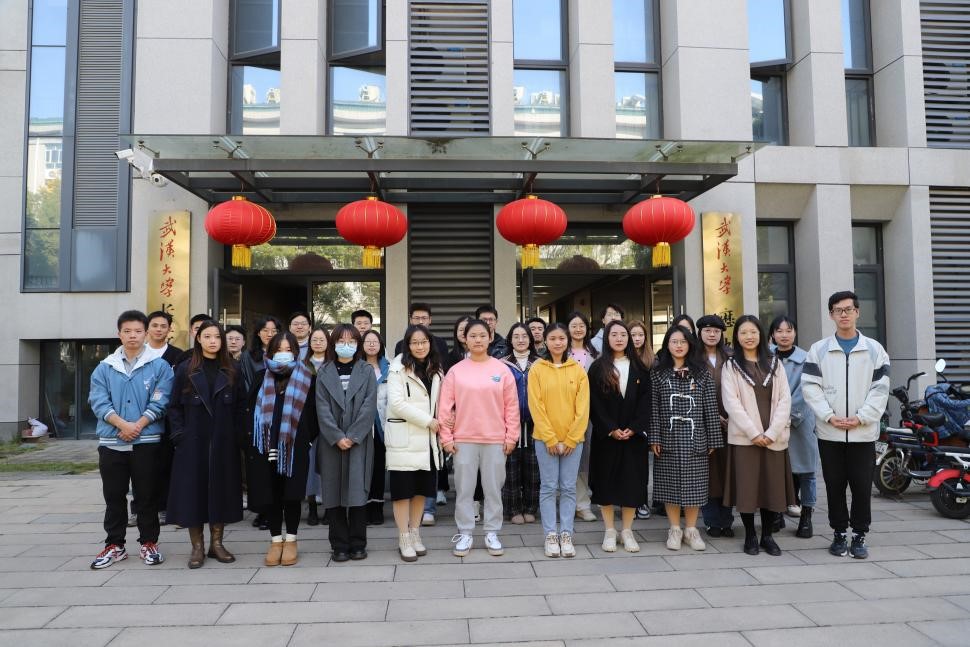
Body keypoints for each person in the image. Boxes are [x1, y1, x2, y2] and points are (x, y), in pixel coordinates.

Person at [802, 291, 890, 559]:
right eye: (838, 310)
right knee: (834, 485)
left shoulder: (874, 350)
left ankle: (860, 535)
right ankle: (839, 533)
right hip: (830, 433)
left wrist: (862, 417)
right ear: (831, 315)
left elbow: (880, 389)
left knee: (862, 487)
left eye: (848, 309)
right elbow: (810, 387)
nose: (844, 314)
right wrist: (828, 416)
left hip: (863, 434)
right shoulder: (819, 350)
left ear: (857, 312)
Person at [88, 310, 174, 569]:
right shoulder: (105, 367)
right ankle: (115, 545)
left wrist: (137, 426)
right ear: (119, 334)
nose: (133, 336)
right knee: (113, 496)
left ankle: (149, 543)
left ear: (145, 333)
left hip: (146, 441)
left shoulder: (159, 366)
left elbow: (161, 400)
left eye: (138, 331)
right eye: (127, 331)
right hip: (112, 442)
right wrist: (122, 425)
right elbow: (98, 401)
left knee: (146, 496)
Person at [166, 321, 246, 568]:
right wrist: (180, 435)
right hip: (193, 443)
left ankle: (217, 544)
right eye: (207, 336)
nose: (213, 341)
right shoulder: (186, 369)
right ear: (198, 339)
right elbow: (174, 407)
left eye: (217, 337)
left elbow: (241, 407)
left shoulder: (232, 369)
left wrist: (237, 436)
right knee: (194, 493)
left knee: (221, 492)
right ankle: (197, 547)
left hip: (224, 442)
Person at [438, 319, 519, 557]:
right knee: (464, 489)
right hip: (463, 439)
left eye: (482, 335)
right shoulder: (456, 371)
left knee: (493, 489)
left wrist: (512, 436)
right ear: (464, 339)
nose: (478, 340)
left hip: (495, 439)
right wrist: (446, 437)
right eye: (472, 335)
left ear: (490, 337)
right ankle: (465, 532)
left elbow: (511, 407)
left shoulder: (502, 370)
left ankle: (492, 532)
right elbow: (445, 407)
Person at [721, 315, 794, 556]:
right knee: (748, 488)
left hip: (774, 438)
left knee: (771, 488)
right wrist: (754, 433)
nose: (749, 337)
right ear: (736, 337)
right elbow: (731, 403)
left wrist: (771, 433)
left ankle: (767, 536)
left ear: (761, 335)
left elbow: (785, 400)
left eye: (753, 332)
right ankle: (750, 535)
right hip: (745, 439)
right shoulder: (731, 366)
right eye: (743, 332)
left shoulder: (774, 363)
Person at [247, 331, 317, 567]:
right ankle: (276, 540)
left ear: (296, 352)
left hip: (294, 447)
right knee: (272, 495)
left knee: (292, 495)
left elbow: (315, 415)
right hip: (266, 447)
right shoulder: (261, 377)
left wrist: (307, 439)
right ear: (270, 352)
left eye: (288, 350)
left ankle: (292, 540)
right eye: (279, 350)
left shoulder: (307, 378)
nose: (284, 354)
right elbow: (249, 411)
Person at [649, 324, 722, 552]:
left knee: (695, 486)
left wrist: (713, 439)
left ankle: (691, 529)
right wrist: (654, 437)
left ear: (690, 344)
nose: (679, 346)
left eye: (683, 342)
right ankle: (674, 529)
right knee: (669, 484)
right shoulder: (658, 373)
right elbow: (653, 408)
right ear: (667, 345)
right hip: (668, 437)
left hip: (695, 437)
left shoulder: (701, 373)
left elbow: (710, 407)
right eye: (674, 342)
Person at [316, 324, 378, 561]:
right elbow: (322, 408)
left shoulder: (366, 370)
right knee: (333, 492)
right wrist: (336, 436)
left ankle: (358, 543)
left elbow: (369, 406)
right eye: (341, 341)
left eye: (351, 341)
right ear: (333, 344)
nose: (346, 345)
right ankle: (339, 545)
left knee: (358, 491)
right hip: (331, 443)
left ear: (357, 344)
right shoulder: (324, 371)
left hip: (359, 442)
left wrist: (352, 436)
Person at [588, 321, 651, 553]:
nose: (619, 338)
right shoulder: (597, 367)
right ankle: (609, 530)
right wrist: (610, 428)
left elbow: (646, 401)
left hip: (634, 437)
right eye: (613, 334)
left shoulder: (640, 368)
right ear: (607, 338)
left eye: (623, 334)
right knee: (605, 482)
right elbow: (593, 402)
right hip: (606, 437)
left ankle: (627, 530)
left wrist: (634, 428)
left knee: (631, 483)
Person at [528, 323, 590, 558]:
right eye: (552, 338)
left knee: (568, 488)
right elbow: (536, 406)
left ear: (567, 341)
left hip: (574, 441)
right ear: (545, 340)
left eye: (561, 338)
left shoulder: (577, 369)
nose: (557, 342)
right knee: (548, 487)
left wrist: (572, 439)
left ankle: (566, 534)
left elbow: (582, 409)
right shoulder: (537, 369)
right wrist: (550, 438)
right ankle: (550, 535)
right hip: (545, 440)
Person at [385, 324, 444, 561]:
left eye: (424, 342)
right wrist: (429, 421)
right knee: (402, 493)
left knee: (421, 491)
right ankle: (403, 537)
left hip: (427, 441)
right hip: (405, 440)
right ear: (407, 345)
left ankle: (415, 532)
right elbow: (397, 404)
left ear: (430, 343)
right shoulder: (397, 368)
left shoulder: (436, 368)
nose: (420, 346)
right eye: (415, 342)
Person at [770, 315, 820, 538]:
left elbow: (806, 391)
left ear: (795, 333)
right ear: (772, 334)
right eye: (779, 331)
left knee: (806, 471)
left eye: (788, 331)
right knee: (777, 470)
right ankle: (776, 512)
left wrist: (786, 416)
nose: (784, 335)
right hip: (772, 423)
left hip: (800, 422)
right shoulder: (765, 357)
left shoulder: (807, 359)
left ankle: (806, 515)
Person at [239, 316, 282, 531]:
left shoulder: (283, 354)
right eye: (265, 330)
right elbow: (246, 383)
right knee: (258, 467)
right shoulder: (249, 356)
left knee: (275, 465)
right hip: (256, 415)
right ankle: (262, 510)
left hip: (279, 414)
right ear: (257, 333)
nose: (269, 334)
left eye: (274, 330)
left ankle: (275, 510)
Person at [696, 314, 735, 538]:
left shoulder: (731, 356)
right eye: (707, 330)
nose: (712, 334)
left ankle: (727, 520)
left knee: (728, 472)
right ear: (700, 333)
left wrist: (732, 416)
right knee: (709, 474)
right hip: (703, 424)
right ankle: (711, 521)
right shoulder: (693, 358)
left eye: (716, 331)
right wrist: (712, 416)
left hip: (732, 424)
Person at [145, 310, 184, 527]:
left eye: (163, 326)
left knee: (167, 462)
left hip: (169, 418)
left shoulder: (178, 355)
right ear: (147, 328)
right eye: (155, 325)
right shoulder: (139, 353)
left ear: (169, 330)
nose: (159, 330)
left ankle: (164, 507)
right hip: (142, 419)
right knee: (142, 466)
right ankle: (140, 508)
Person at [500, 323, 541, 525]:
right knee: (511, 468)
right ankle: (513, 509)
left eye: (524, 336)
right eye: (516, 336)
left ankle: (531, 508)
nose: (521, 340)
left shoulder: (540, 363)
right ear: (510, 340)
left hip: (536, 423)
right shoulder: (502, 364)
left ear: (530, 339)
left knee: (533, 469)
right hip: (510, 423)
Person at [566, 311, 598, 522]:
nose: (578, 329)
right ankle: (568, 503)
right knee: (567, 459)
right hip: (565, 413)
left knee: (584, 460)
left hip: (589, 413)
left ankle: (582, 504)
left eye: (581, 325)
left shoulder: (595, 353)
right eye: (574, 325)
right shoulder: (562, 352)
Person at [628, 319, 656, 520]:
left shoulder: (653, 360)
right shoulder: (621, 358)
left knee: (642, 464)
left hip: (647, 417)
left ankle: (641, 501)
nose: (637, 339)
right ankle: (628, 501)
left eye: (640, 335)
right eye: (633, 335)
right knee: (627, 463)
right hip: (625, 418)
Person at [363, 329, 390, 525]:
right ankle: (363, 507)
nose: (372, 345)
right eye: (368, 341)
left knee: (379, 466)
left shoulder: (390, 367)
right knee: (363, 467)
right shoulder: (357, 366)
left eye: (375, 342)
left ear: (381, 345)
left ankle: (378, 507)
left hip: (383, 423)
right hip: (363, 425)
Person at [305, 325, 329, 526]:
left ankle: (330, 507)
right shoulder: (302, 366)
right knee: (311, 467)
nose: (318, 343)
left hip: (330, 421)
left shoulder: (333, 365)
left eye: (322, 339)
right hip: (308, 421)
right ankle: (312, 506)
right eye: (315, 340)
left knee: (329, 466)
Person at [393, 303, 451, 370]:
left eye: (424, 318)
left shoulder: (441, 343)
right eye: (417, 318)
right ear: (411, 320)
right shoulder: (400, 345)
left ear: (430, 320)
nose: (420, 321)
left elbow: (444, 369)